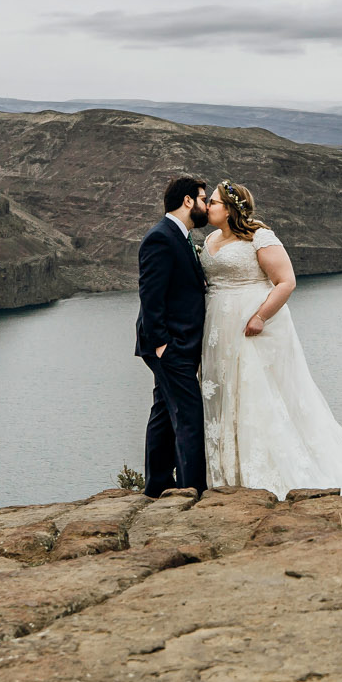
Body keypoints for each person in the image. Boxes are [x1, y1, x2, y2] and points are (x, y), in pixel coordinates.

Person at [197, 179, 342, 507]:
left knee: (255, 396)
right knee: (225, 393)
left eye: (215, 203)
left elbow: (286, 281)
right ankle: (226, 476)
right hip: (219, 327)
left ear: (232, 208)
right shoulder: (209, 239)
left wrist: (260, 316)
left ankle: (263, 476)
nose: (208, 207)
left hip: (252, 327)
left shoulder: (260, 236)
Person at [135, 175, 209, 497]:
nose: (206, 205)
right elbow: (150, 295)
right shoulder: (161, 238)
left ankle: (157, 486)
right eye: (203, 199)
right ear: (188, 201)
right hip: (170, 346)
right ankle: (192, 490)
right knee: (190, 417)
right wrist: (163, 345)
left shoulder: (182, 237)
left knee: (164, 412)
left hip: (177, 344)